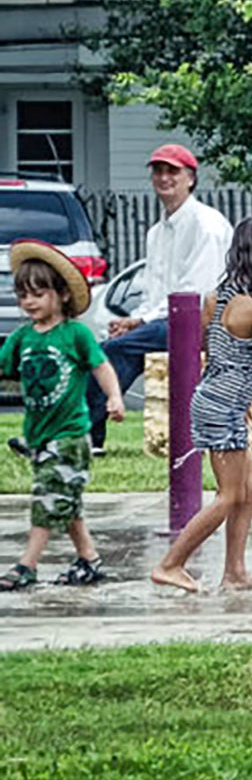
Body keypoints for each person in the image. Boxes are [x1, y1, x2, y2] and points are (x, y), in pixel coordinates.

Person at [150, 219, 252, 594]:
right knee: (230, 494)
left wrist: (237, 400)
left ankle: (235, 572)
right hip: (222, 407)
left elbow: (212, 352)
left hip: (214, 400)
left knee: (250, 484)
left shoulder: (215, 299)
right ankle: (171, 564)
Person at [88, 143, 234, 452]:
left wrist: (142, 321)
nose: (164, 178)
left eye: (173, 171)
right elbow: (155, 291)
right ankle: (88, 434)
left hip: (207, 321)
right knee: (111, 348)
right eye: (158, 171)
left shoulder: (206, 225)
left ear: (191, 179)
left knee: (114, 348)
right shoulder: (156, 232)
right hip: (169, 319)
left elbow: (195, 293)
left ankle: (88, 434)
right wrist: (135, 320)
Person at [0, 242, 124, 591]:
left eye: (38, 293)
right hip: (39, 436)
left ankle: (27, 565)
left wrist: (114, 397)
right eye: (23, 295)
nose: (29, 302)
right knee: (66, 502)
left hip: (70, 437)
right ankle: (89, 560)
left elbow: (101, 366)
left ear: (63, 295)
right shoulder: (21, 339)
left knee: (47, 500)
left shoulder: (76, 334)